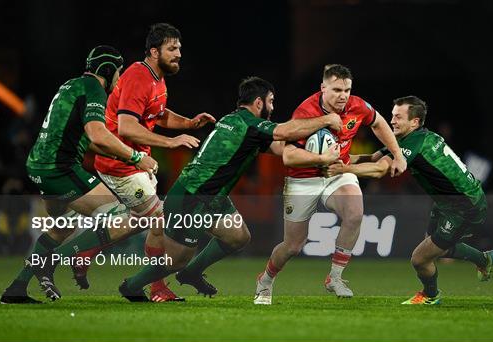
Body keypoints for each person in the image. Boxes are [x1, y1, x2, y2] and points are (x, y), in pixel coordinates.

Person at [118, 76, 344, 301]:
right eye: (271, 101)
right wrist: (324, 120)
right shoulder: (250, 124)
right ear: (258, 103)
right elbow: (283, 132)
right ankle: (132, 286)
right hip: (193, 197)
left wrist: (318, 155)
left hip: (212, 196)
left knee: (238, 236)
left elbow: (281, 148)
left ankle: (191, 273)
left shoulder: (235, 120)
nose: (272, 107)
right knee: (177, 260)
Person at [0, 45, 158, 303]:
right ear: (108, 70)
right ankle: (58, 259)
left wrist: (122, 154)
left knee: (64, 225)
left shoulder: (72, 85)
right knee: (122, 215)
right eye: (118, 72)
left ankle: (16, 289)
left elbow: (88, 139)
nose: (118, 80)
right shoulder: (94, 89)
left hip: (40, 165)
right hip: (59, 168)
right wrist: (137, 157)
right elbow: (98, 134)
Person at [72, 23, 215, 302]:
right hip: (121, 162)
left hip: (136, 162)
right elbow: (126, 127)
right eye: (172, 49)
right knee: (158, 220)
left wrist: (188, 123)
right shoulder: (139, 75)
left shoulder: (156, 79)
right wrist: (172, 142)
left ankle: (86, 252)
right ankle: (157, 287)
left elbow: (158, 114)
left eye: (180, 49)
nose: (179, 54)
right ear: (153, 51)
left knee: (143, 220)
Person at [254, 64, 407, 305]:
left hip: (337, 172)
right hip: (303, 178)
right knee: (293, 245)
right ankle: (266, 279)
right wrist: (321, 158)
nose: (343, 95)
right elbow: (288, 156)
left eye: (347, 89)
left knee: (355, 213)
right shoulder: (305, 112)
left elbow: (378, 123)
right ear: (323, 88)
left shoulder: (357, 106)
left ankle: (335, 277)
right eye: (337, 89)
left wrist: (397, 154)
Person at [326, 95, 493, 305]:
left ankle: (431, 296)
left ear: (415, 122)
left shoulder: (414, 144)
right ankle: (484, 259)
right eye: (392, 116)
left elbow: (380, 169)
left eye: (398, 117)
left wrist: (343, 169)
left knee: (420, 258)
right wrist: (333, 159)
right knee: (437, 244)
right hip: (447, 202)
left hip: (465, 205)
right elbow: (374, 158)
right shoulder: (413, 138)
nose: (392, 121)